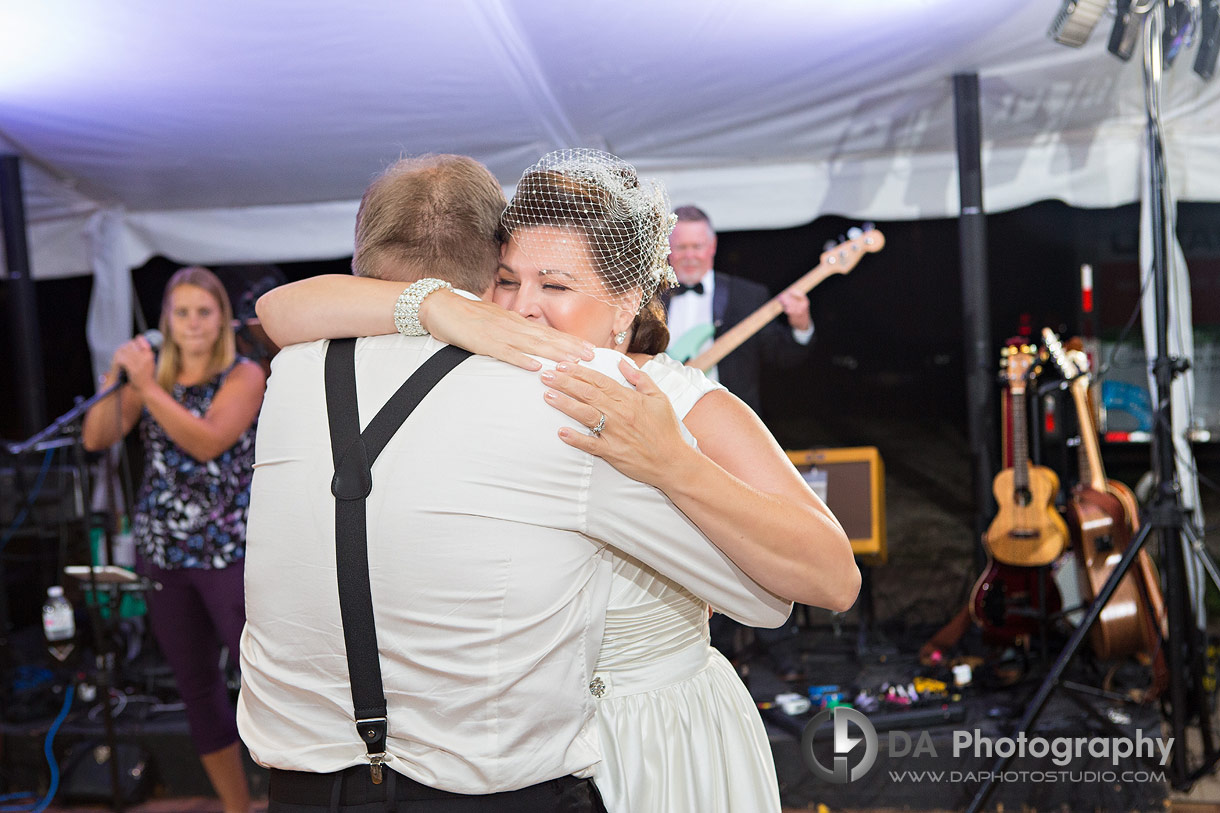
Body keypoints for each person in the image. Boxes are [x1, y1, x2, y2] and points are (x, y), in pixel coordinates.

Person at [253, 149, 858, 812]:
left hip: (651, 737)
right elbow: (281, 309)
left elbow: (829, 577)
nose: (521, 307)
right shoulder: (497, 385)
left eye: (556, 286)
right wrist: (436, 307)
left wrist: (673, 465)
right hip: (519, 751)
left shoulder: (685, 402)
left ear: (628, 301)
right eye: (506, 280)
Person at [82, 266, 265, 813]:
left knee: (259, 680)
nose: (192, 323)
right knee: (195, 686)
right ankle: (235, 805)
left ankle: (287, 795)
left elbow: (207, 442)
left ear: (222, 319)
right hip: (162, 552)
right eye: (181, 313)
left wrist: (147, 388)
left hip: (229, 551)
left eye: (203, 312)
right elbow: (95, 437)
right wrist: (119, 380)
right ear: (166, 319)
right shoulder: (151, 379)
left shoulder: (244, 373)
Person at [665, 205, 813, 414]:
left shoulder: (747, 296)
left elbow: (784, 356)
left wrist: (801, 324)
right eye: (681, 247)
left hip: (730, 421)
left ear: (713, 246)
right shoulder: (646, 297)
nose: (690, 255)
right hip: (663, 418)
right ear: (667, 247)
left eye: (697, 246)